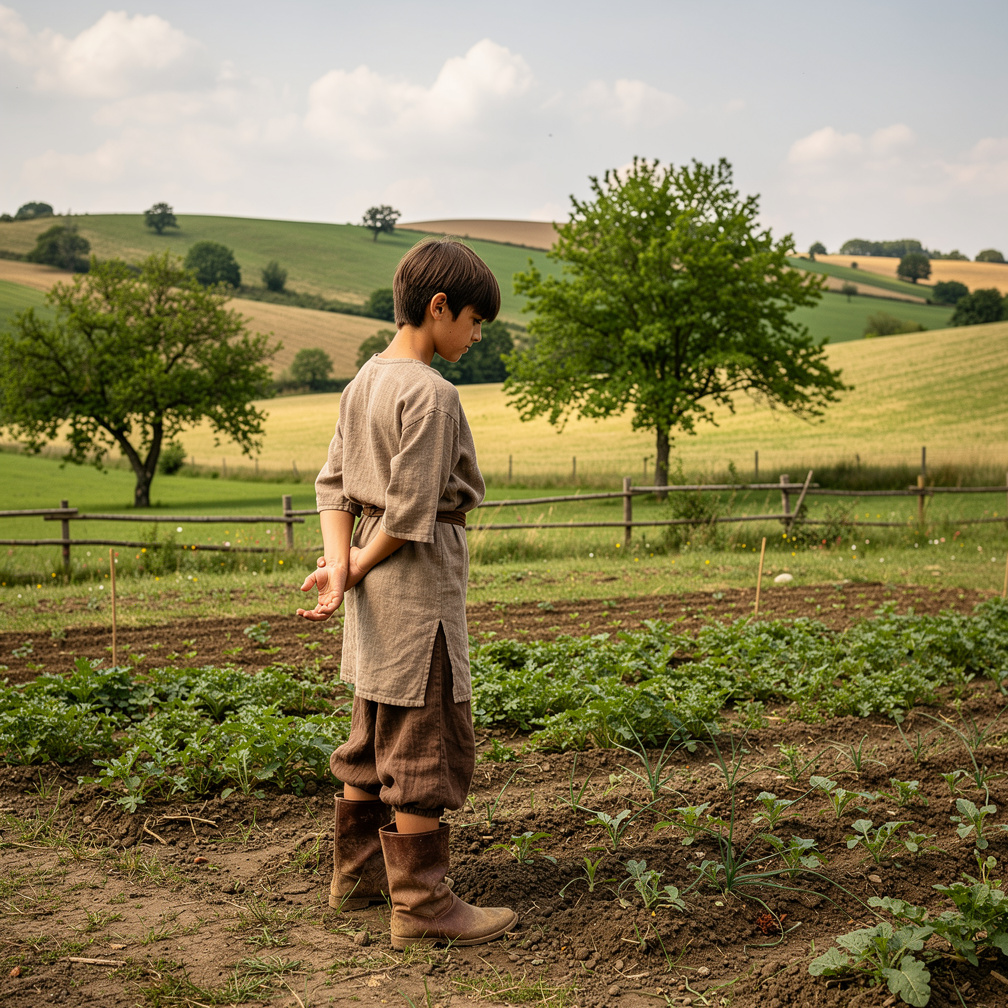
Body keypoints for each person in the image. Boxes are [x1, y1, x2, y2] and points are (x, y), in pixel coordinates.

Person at [297, 238, 517, 950]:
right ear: (439, 307)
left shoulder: (364, 380)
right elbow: (414, 510)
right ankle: (422, 907)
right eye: (475, 322)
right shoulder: (431, 393)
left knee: (373, 727)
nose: (477, 337)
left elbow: (334, 487)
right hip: (418, 584)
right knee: (425, 737)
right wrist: (355, 567)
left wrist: (342, 567)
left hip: (373, 587)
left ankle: (358, 877)